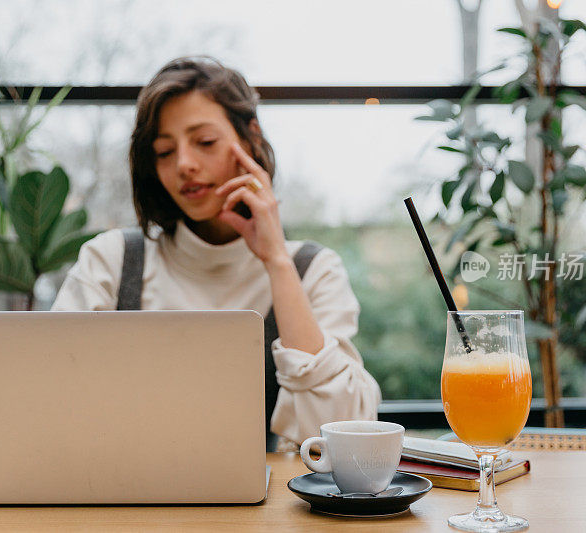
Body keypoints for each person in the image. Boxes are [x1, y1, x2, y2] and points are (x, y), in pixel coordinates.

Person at [52, 56, 381, 450]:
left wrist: (277, 261)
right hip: (125, 501)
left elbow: (344, 434)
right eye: (163, 152)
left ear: (251, 139)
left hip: (265, 507)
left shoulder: (314, 270)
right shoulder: (111, 262)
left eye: (205, 142)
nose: (185, 165)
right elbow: (57, 408)